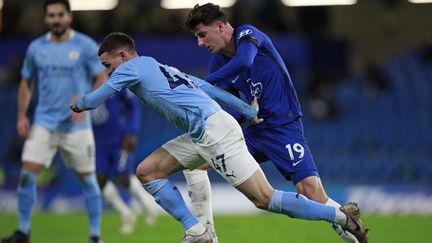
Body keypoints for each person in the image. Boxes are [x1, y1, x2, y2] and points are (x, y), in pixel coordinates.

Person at [69, 32, 367, 243]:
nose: (108, 72)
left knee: (265, 199)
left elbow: (101, 95)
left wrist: (80, 102)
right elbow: (205, 87)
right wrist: (244, 109)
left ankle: (340, 217)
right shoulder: (160, 66)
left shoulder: (130, 67)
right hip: (205, 131)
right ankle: (199, 232)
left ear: (122, 55)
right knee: (148, 171)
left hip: (214, 133)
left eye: (108, 65)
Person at [183, 3, 368, 243]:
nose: (200, 43)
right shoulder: (218, 63)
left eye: (201, 35)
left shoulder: (247, 34)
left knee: (311, 193)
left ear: (219, 26)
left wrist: (202, 84)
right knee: (196, 163)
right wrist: (243, 115)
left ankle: (352, 234)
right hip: (253, 131)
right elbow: (231, 107)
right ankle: (206, 235)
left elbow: (245, 62)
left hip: (283, 126)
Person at [1, 1, 106, 243]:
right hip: (44, 124)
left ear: (69, 16)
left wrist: (87, 102)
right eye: (51, 15)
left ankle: (95, 236)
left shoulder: (85, 45)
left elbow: (102, 77)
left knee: (89, 181)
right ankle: (23, 232)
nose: (56, 19)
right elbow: (26, 82)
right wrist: (20, 116)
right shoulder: (37, 48)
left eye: (60, 14)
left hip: (76, 126)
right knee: (27, 175)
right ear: (46, 18)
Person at [91, 89, 158, 234]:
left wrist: (132, 131)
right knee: (99, 180)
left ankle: (147, 204)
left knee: (123, 176)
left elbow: (133, 106)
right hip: (96, 141)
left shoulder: (113, 83)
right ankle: (126, 214)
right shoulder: (82, 82)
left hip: (118, 139)